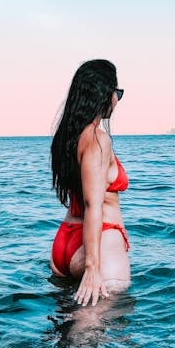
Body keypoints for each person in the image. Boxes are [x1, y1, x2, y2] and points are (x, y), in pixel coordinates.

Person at [50, 59, 131, 307]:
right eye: (116, 92)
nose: (117, 100)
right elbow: (92, 204)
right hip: (97, 243)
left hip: (64, 243)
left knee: (64, 332)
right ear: (103, 94)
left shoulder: (69, 137)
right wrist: (92, 267)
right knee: (88, 335)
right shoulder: (97, 139)